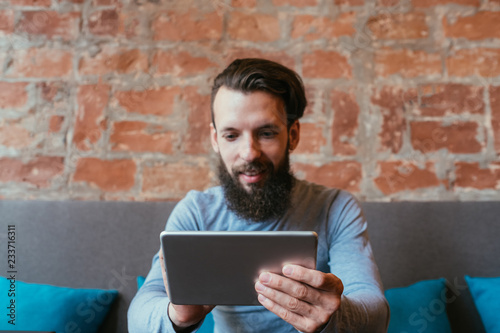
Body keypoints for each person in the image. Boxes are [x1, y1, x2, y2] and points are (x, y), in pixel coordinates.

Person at [128, 58, 389, 332]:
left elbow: (375, 312)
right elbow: (138, 318)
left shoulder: (335, 208)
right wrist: (177, 315)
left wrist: (335, 315)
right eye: (231, 136)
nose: (249, 152)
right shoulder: (196, 212)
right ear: (215, 139)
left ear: (293, 134)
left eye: (266, 133)